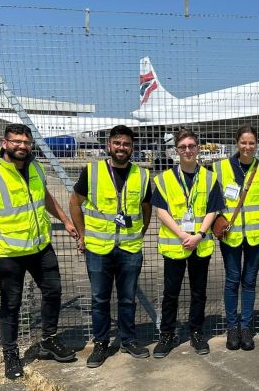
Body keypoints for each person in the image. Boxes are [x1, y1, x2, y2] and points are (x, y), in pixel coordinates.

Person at [0, 124, 78, 380]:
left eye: (26, 142)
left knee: (53, 291)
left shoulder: (35, 166)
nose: (22, 146)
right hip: (8, 253)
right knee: (11, 304)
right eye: (16, 141)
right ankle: (10, 354)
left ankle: (49, 340)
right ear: (4, 142)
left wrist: (66, 220)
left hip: (40, 247)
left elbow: (45, 197)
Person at [69, 125, 152, 368]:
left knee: (127, 299)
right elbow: (75, 203)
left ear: (132, 148)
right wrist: (82, 234)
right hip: (98, 249)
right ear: (109, 145)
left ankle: (128, 340)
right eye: (117, 143)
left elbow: (146, 209)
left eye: (126, 144)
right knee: (99, 299)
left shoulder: (142, 175)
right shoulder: (92, 171)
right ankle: (102, 344)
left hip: (129, 249)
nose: (121, 148)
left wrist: (141, 231)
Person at [151, 129, 224, 357]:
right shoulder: (164, 179)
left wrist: (199, 235)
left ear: (198, 148)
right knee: (170, 293)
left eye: (192, 146)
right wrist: (183, 235)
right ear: (176, 151)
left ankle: (196, 332)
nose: (188, 150)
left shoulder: (210, 177)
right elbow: (161, 211)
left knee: (199, 292)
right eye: (183, 147)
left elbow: (213, 209)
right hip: (176, 244)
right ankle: (167, 334)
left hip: (200, 244)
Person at [212, 125, 259, 351]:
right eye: (244, 142)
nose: (247, 147)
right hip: (231, 236)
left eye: (252, 143)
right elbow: (213, 200)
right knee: (232, 281)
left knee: (250, 282)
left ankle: (246, 327)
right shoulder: (219, 167)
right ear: (237, 143)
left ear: (256, 145)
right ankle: (232, 328)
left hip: (256, 236)